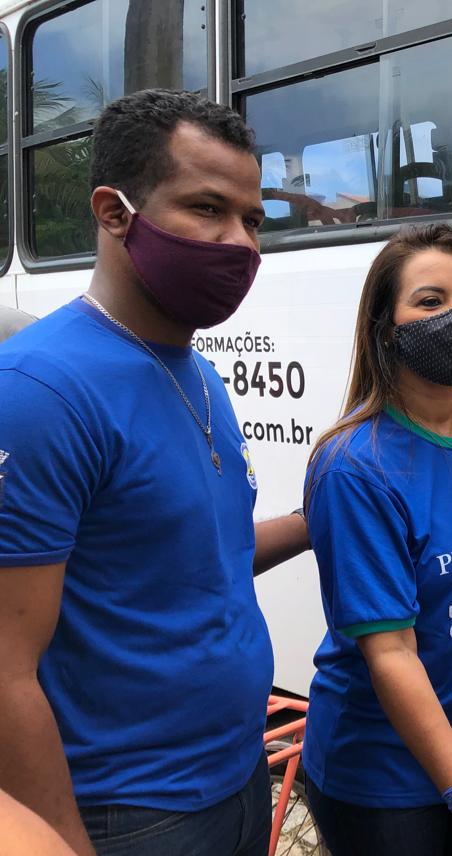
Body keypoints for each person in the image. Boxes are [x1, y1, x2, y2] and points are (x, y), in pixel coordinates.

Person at [0, 89, 310, 856]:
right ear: (114, 213)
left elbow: (203, 561)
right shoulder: (38, 392)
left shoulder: (196, 373)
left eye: (254, 219)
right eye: (207, 208)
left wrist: (314, 522)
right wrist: (61, 842)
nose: (241, 244)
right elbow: (5, 673)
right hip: (126, 815)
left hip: (238, 781)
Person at [301, 224, 452, 856]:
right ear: (385, 326)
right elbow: (391, 654)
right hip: (390, 783)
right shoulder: (356, 465)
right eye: (430, 302)